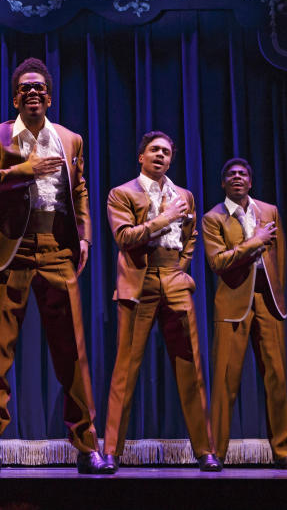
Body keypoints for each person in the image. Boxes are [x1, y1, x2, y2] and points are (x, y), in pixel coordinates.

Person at [0, 57, 110, 475]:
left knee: (72, 351)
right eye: (25, 88)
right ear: (16, 97)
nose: (33, 93)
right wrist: (23, 170)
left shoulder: (70, 138)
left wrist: (84, 236)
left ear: (49, 96)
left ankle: (87, 447)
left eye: (39, 88)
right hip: (11, 251)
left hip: (57, 248)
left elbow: (79, 188)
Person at [101, 132, 222, 473]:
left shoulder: (184, 195)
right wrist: (166, 217)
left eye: (166, 152)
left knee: (191, 368)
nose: (160, 156)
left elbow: (193, 236)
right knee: (125, 368)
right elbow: (124, 237)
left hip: (174, 278)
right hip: (140, 279)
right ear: (141, 156)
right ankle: (111, 451)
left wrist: (181, 270)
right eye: (154, 150)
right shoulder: (122, 193)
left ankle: (204, 451)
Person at [200, 158, 287, 468]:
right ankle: (215, 452)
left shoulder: (268, 212)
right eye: (230, 174)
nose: (237, 177)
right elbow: (217, 262)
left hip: (267, 300)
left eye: (242, 173)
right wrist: (253, 242)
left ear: (250, 182)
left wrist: (276, 294)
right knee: (225, 380)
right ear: (223, 184)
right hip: (233, 303)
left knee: (277, 378)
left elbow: (278, 256)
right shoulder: (212, 218)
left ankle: (283, 451)